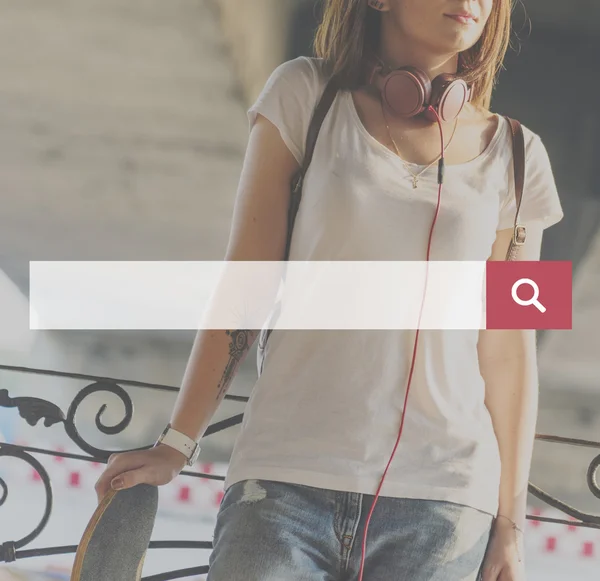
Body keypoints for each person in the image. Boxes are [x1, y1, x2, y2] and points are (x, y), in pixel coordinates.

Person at [95, 1, 564, 580]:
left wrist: (510, 526)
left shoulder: (523, 158)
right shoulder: (302, 94)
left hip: (445, 506)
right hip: (284, 484)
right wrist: (178, 441)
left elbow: (513, 350)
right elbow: (246, 278)